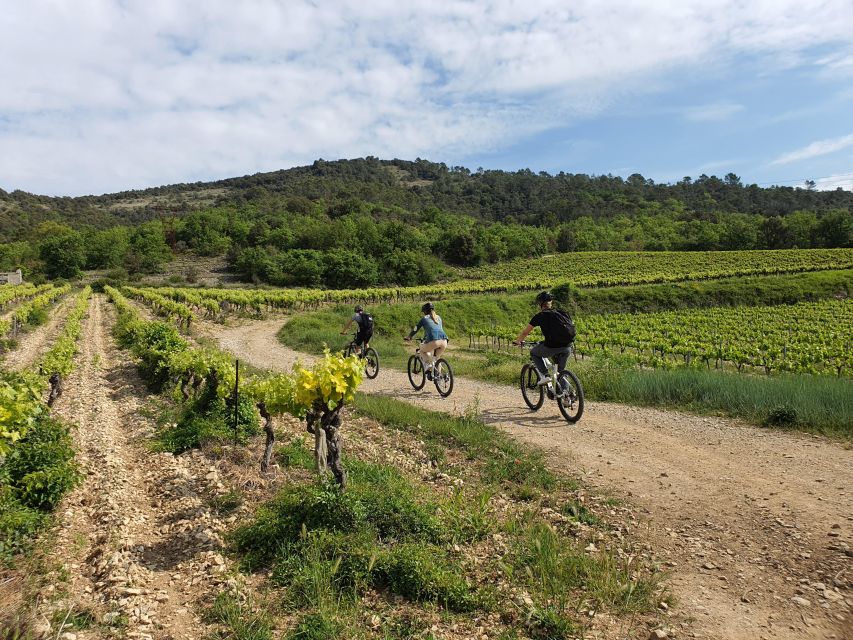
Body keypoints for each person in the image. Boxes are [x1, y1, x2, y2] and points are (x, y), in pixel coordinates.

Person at [513, 291, 576, 387]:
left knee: (534, 352)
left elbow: (525, 332)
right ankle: (567, 396)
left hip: (552, 347)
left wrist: (518, 341)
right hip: (567, 346)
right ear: (551, 303)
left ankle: (545, 375)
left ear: (540, 304)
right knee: (561, 373)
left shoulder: (540, 316)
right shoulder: (562, 313)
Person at [405, 302, 448, 379]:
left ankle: (428, 366)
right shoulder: (438, 317)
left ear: (425, 311)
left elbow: (416, 328)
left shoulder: (424, 319)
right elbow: (434, 330)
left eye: (423, 312)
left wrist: (409, 336)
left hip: (434, 341)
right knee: (437, 357)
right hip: (444, 341)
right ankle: (439, 376)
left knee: (421, 350)